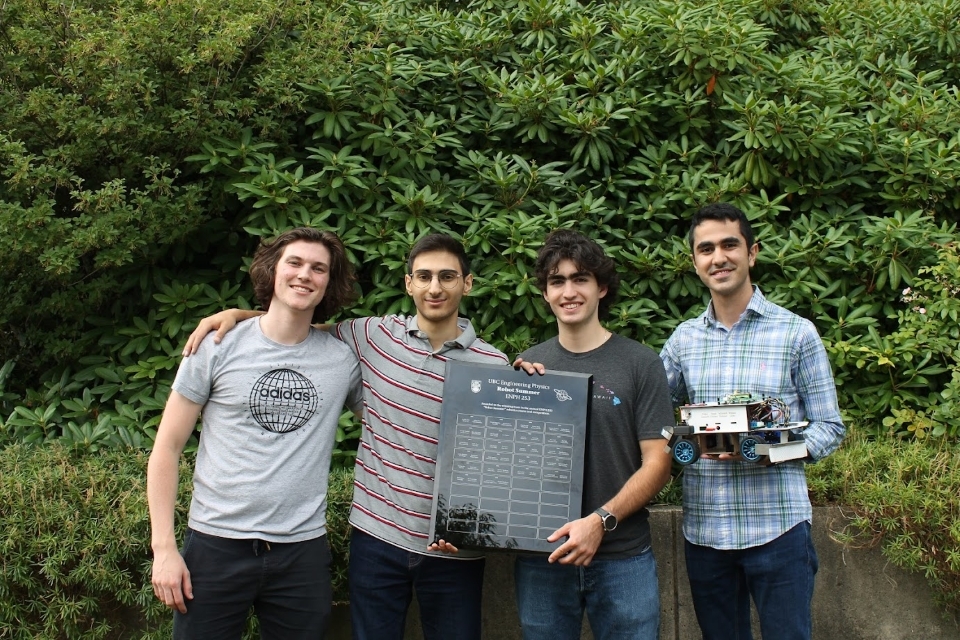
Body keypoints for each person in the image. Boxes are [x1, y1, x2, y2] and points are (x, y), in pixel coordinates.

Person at [183, 233, 519, 640]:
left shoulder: (494, 364)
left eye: (447, 277)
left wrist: (471, 527)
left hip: (452, 549)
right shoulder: (370, 336)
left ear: (466, 284)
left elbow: (498, 463)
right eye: (424, 276)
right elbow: (295, 322)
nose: (435, 287)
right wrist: (236, 314)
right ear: (407, 282)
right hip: (376, 540)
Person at [148, 227, 363, 639]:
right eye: (295, 263)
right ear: (273, 270)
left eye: (319, 268)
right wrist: (164, 549)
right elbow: (167, 448)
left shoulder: (341, 360)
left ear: (328, 283)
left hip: (301, 552)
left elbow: (387, 421)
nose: (305, 275)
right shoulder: (216, 345)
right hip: (214, 544)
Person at [659, 203, 846, 640]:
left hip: (778, 528)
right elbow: (647, 408)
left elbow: (829, 426)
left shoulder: (796, 333)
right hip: (705, 531)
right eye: (706, 249)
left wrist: (772, 452)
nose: (718, 257)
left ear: (752, 252)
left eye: (729, 245)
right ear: (695, 262)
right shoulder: (684, 339)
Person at [512, 229, 674, 640]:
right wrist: (511, 396)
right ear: (545, 293)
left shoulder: (641, 363)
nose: (569, 291)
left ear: (601, 287)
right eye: (557, 281)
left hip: (624, 558)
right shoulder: (528, 367)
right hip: (543, 556)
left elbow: (658, 462)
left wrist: (601, 520)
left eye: (580, 278)